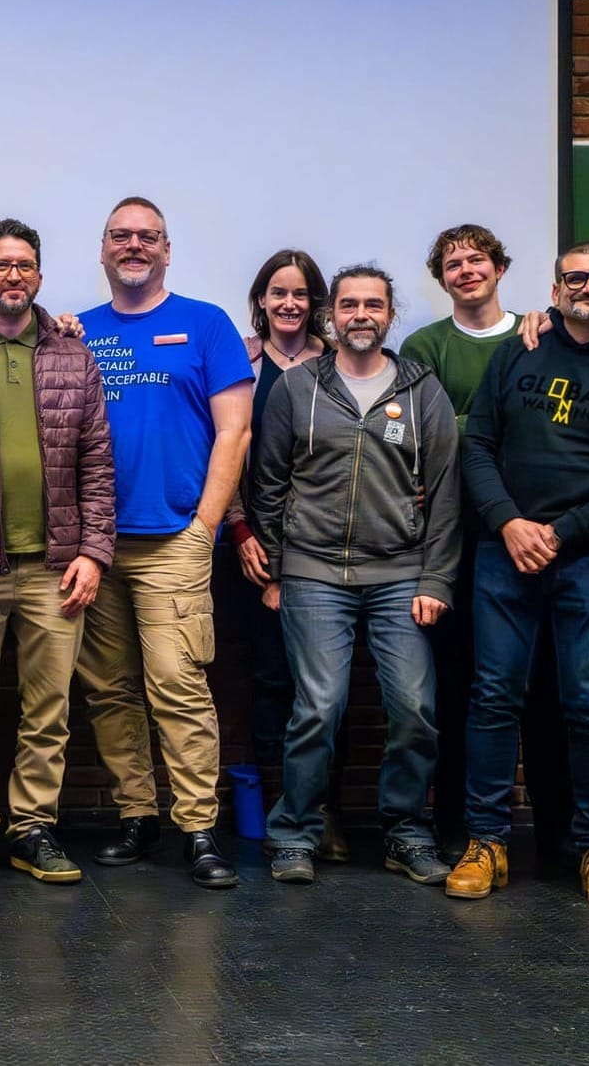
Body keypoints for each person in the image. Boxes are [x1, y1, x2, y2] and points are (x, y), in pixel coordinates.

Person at [445, 242, 589, 910]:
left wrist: (562, 532)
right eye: (575, 278)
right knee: (492, 698)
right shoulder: (519, 351)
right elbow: (478, 445)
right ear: (555, 290)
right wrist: (509, 522)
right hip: (503, 553)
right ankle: (486, 841)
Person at [252, 265, 459, 887]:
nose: (361, 315)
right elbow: (268, 482)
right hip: (313, 572)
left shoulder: (422, 389)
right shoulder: (298, 388)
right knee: (318, 708)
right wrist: (276, 568)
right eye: (349, 305)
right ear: (331, 316)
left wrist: (436, 580)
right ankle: (295, 832)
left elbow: (445, 493)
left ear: (390, 316)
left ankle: (405, 832)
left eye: (373, 304)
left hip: (400, 574)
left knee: (415, 707)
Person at [0, 219, 115, 885]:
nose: (14, 275)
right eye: (1, 265)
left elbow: (97, 461)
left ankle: (31, 828)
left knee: (48, 710)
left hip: (57, 570)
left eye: (25, 265)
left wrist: (94, 551)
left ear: (38, 275)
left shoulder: (73, 355)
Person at [73, 197, 252, 889]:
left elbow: (235, 431)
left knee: (178, 685)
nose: (134, 246)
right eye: (121, 235)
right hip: (94, 546)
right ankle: (137, 815)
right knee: (109, 690)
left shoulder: (207, 324)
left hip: (175, 537)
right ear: (102, 249)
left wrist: (205, 525)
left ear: (167, 250)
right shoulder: (78, 332)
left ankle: (198, 827)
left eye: (148, 236)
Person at [400, 224, 571, 860]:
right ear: (441, 279)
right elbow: (422, 431)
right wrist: (498, 422)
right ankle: (459, 828)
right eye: (453, 264)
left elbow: (554, 423)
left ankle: (559, 838)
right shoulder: (424, 345)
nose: (466, 270)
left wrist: (468, 422)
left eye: (477, 260)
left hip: (535, 536)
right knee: (459, 689)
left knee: (547, 691)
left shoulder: (541, 334)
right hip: (457, 540)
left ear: (500, 268)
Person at [230, 250, 347, 859]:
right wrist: (241, 531)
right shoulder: (240, 361)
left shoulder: (341, 363)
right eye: (278, 292)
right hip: (252, 549)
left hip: (326, 552)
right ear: (261, 299)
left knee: (326, 686)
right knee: (271, 679)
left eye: (300, 294)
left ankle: (321, 810)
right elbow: (223, 452)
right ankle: (282, 812)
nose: (289, 304)